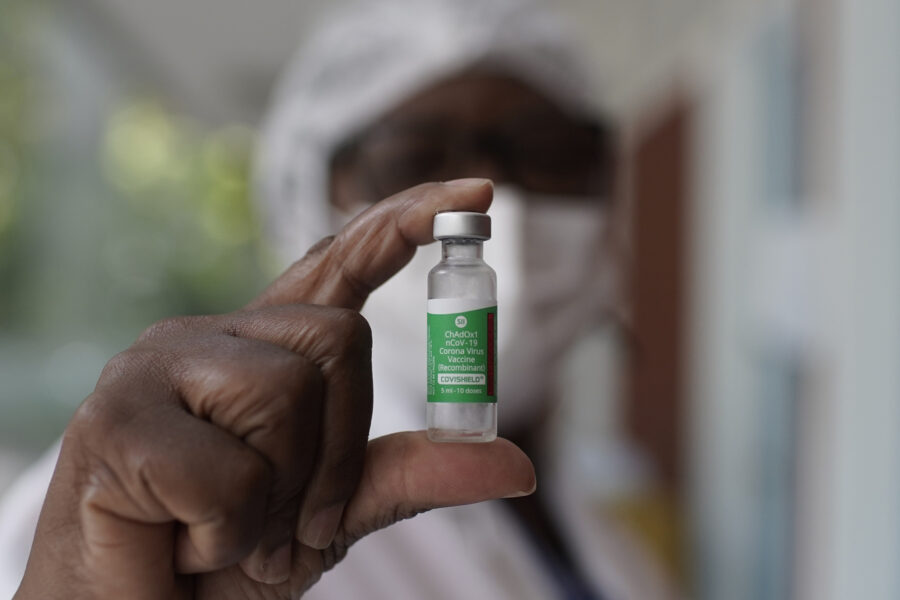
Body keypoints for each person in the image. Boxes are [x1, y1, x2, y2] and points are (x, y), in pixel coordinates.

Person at [0, 0, 677, 598]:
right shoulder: (167, 507)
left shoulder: (612, 544)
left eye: (550, 151)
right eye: (415, 156)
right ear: (308, 200)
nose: (494, 190)